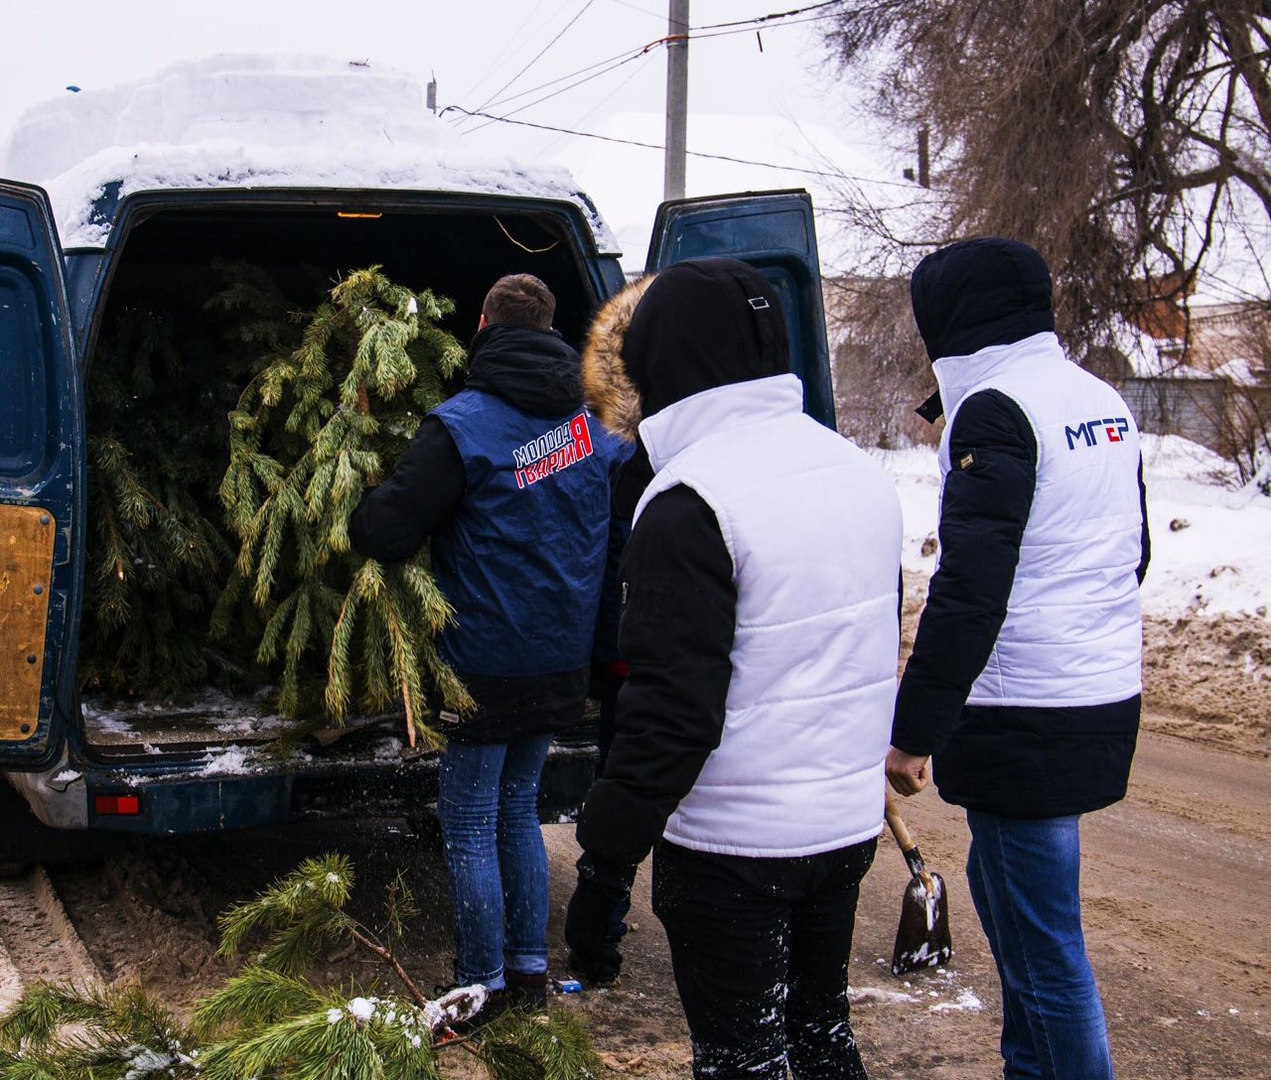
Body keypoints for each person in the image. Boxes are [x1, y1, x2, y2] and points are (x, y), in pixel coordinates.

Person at [565, 257, 904, 1079]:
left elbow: (670, 712)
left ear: (663, 362)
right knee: (821, 1038)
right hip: (842, 830)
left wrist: (604, 867)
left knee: (741, 1059)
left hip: (733, 847)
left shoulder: (692, 499)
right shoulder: (855, 472)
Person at [886, 238, 1151, 1080]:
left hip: (1024, 709)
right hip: (1098, 693)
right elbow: (1131, 551)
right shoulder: (1096, 397)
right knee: (1007, 908)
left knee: (1043, 951)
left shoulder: (993, 409)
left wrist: (914, 731)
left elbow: (969, 589)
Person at [349, 272, 627, 1016]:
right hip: (562, 659)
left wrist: (364, 493)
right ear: (552, 335)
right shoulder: (592, 426)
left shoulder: (462, 425)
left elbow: (384, 531)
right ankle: (528, 974)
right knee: (518, 809)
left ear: (480, 325)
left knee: (471, 819)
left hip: (483, 664)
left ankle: (480, 982)